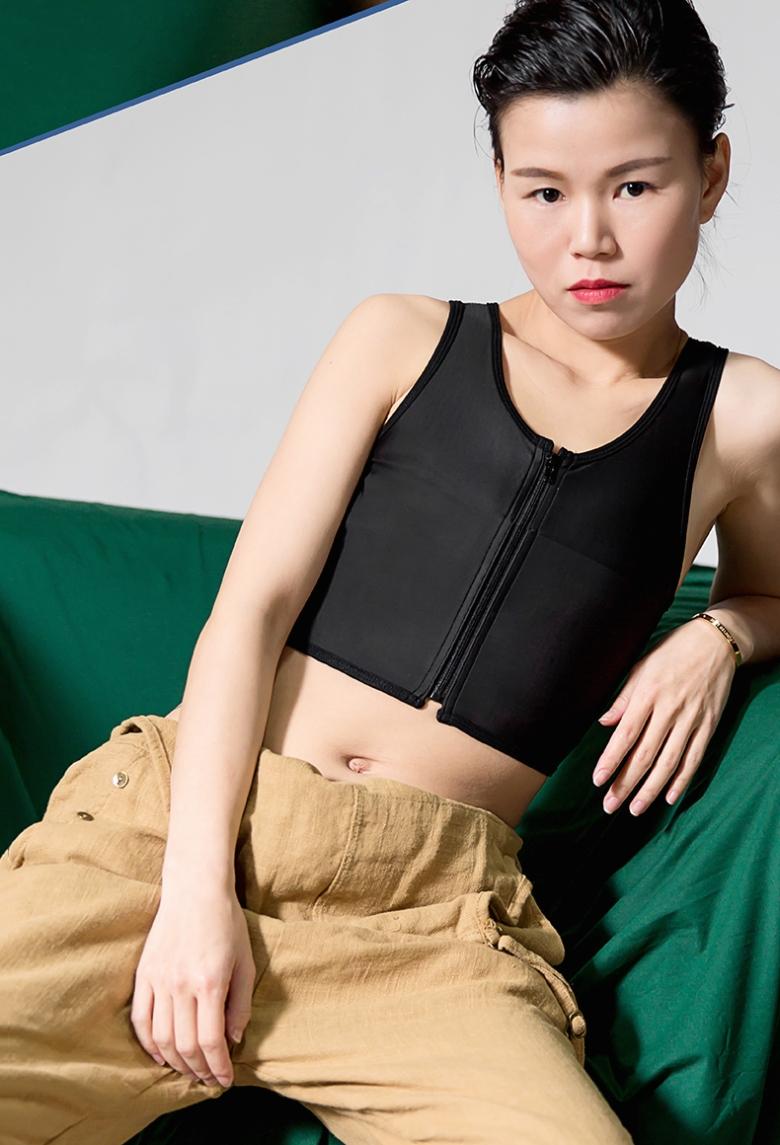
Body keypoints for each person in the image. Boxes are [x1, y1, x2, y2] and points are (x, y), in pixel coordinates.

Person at [2, 1, 778, 1143]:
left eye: (634, 185)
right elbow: (248, 614)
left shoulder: (743, 418)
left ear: (711, 175)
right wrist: (194, 896)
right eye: (544, 191)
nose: (589, 240)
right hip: (192, 832)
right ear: (500, 182)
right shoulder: (400, 338)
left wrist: (724, 635)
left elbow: (771, 591)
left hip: (431, 923)